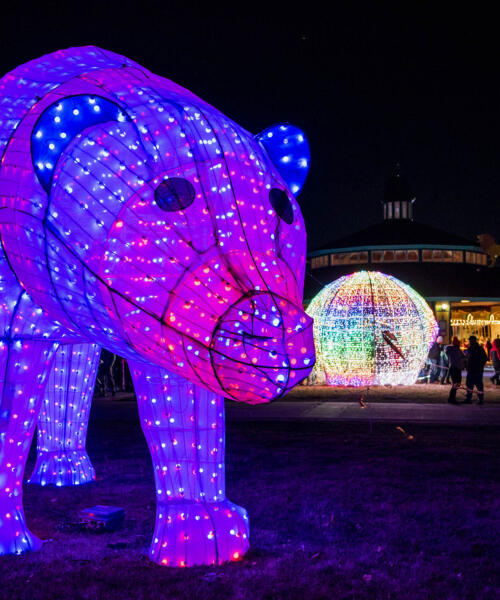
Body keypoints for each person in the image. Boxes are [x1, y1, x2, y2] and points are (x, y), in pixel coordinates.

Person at [464, 335, 488, 404]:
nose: (470, 342)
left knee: (475, 385)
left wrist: (480, 365)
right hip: (474, 370)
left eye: (470, 340)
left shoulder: (475, 349)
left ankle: (476, 399)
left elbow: (484, 358)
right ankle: (473, 398)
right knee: (473, 385)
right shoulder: (474, 349)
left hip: (475, 369)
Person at [445, 337, 465, 404]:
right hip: (455, 368)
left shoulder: (454, 349)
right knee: (456, 383)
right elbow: (462, 357)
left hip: (455, 368)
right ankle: (451, 398)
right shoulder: (454, 349)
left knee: (456, 383)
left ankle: (452, 398)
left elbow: (462, 356)